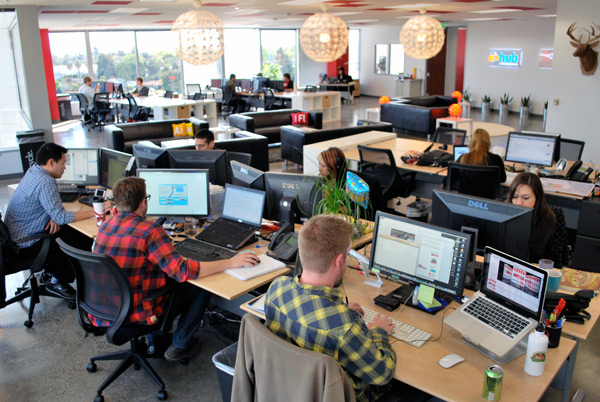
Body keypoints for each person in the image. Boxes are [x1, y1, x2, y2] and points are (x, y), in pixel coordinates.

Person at [93, 177, 259, 362]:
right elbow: (184, 271)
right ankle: (180, 345)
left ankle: (156, 339)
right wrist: (230, 262)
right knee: (201, 284)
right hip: (138, 311)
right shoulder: (149, 231)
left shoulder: (106, 225)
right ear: (143, 202)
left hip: (104, 307)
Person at [264, 214, 396, 402]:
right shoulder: (345, 327)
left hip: (289, 388)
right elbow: (382, 374)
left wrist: (339, 310)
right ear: (339, 260)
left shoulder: (276, 288)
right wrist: (379, 332)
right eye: (348, 254)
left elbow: (309, 315)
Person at [5, 143, 100, 299]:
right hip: (26, 245)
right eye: (63, 163)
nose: (65, 168)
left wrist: (51, 215)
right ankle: (57, 280)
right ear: (51, 162)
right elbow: (61, 217)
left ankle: (51, 273)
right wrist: (96, 212)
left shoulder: (34, 171)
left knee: (69, 231)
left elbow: (53, 213)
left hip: (15, 240)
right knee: (81, 237)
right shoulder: (46, 182)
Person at [506, 172, 556, 263]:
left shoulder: (545, 218)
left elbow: (533, 254)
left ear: (537, 198)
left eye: (525, 198)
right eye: (515, 197)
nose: (519, 203)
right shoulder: (504, 211)